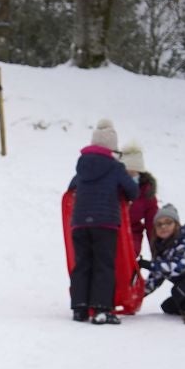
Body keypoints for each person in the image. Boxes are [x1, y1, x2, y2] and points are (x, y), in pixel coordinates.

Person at [66, 118, 138, 324]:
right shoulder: (115, 167)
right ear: (112, 147)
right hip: (104, 223)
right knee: (103, 265)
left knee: (83, 264)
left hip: (79, 223)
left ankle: (79, 307)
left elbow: (72, 187)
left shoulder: (82, 166)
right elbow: (132, 191)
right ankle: (101, 309)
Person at [120, 143, 158, 259]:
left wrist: (157, 255)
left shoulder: (146, 192)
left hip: (132, 234)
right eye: (127, 173)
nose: (130, 177)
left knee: (128, 256)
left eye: (134, 173)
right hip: (111, 232)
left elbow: (152, 226)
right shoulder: (114, 187)